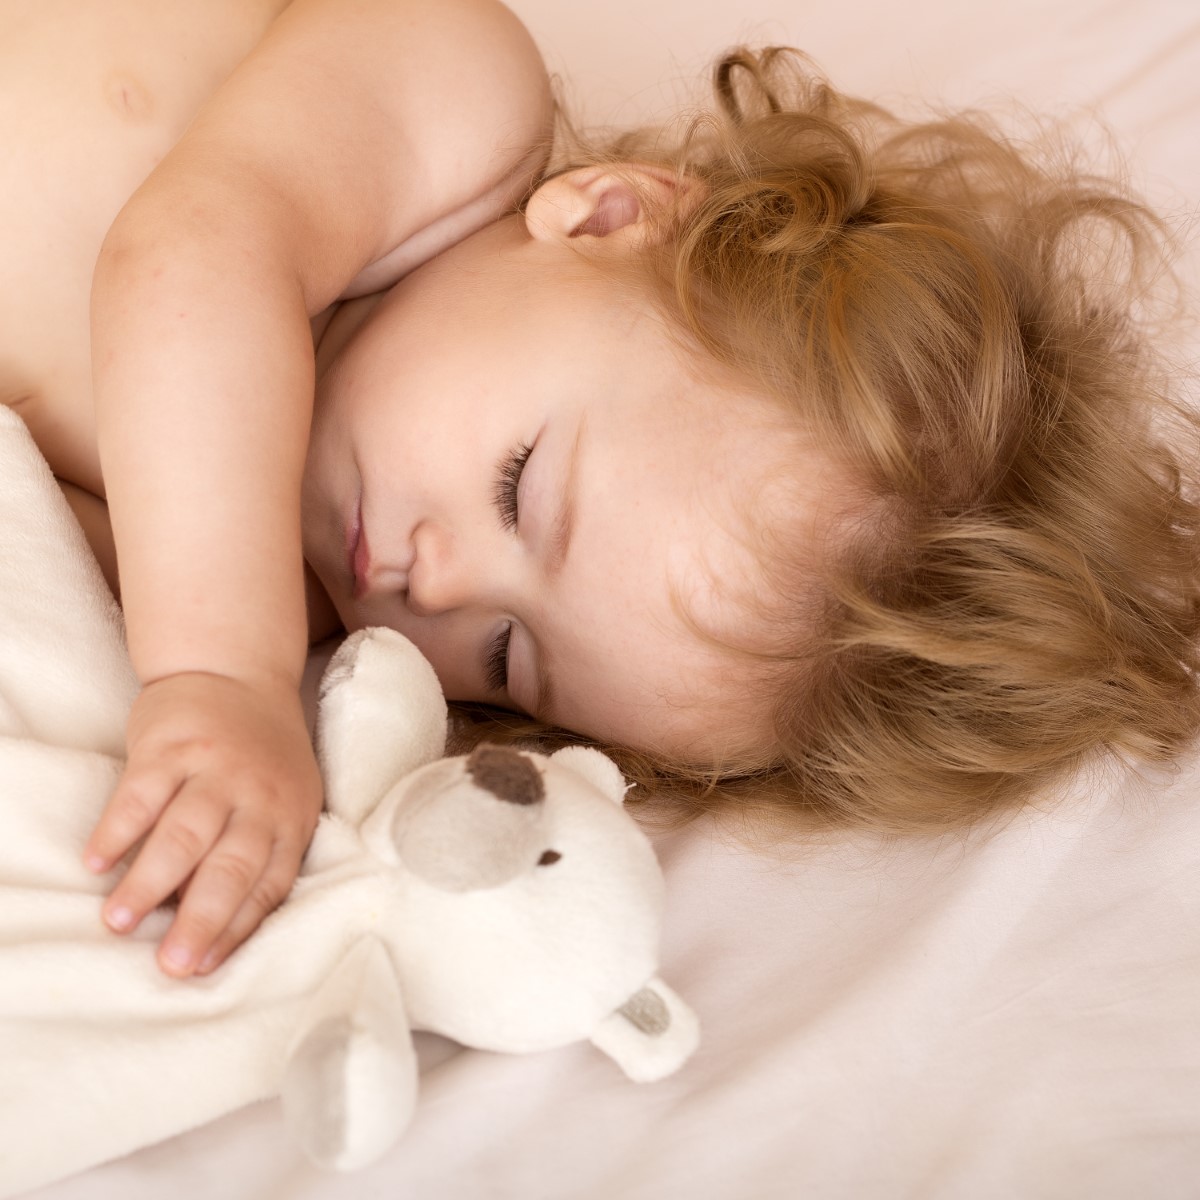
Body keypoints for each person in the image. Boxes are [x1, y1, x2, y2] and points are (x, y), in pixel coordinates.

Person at [3, 3, 1197, 981]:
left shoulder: (271, 587)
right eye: (520, 488)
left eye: (507, 656)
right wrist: (224, 676)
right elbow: (199, 249)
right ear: (611, 216)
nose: (437, 581)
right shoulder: (455, 100)